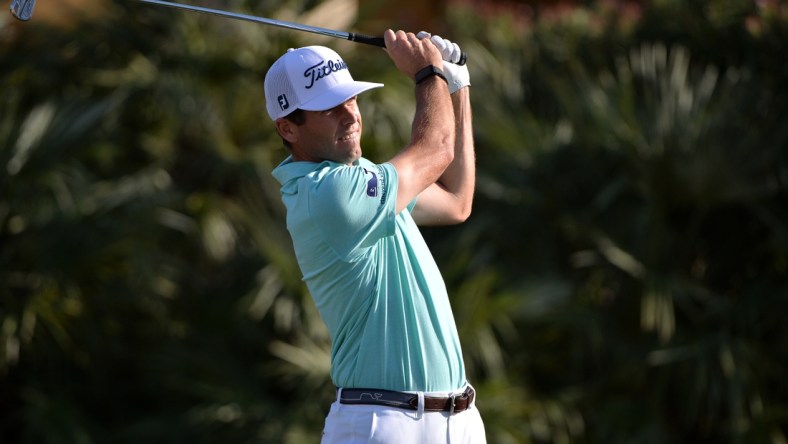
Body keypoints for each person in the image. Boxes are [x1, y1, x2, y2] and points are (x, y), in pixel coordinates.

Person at [264, 29, 484, 443]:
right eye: (329, 108)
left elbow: (457, 200)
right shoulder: (328, 195)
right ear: (288, 128)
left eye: (351, 98)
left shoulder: (364, 182)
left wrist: (458, 84)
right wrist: (426, 72)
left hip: (457, 420)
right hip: (382, 423)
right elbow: (436, 147)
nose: (350, 114)